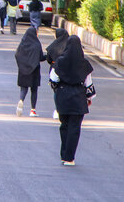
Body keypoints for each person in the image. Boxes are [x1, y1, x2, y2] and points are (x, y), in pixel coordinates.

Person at [50, 36, 96, 166]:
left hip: (63, 97)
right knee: (74, 128)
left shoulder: (59, 62)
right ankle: (70, 157)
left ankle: (64, 155)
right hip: (78, 98)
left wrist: (58, 91)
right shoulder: (84, 64)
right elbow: (88, 84)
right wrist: (89, 98)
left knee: (64, 126)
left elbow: (53, 79)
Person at [14, 27, 45, 117]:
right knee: (34, 90)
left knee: (24, 88)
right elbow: (40, 57)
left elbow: (17, 54)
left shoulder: (23, 43)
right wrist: (48, 56)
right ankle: (33, 110)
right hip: (34, 70)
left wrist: (21, 64)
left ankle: (21, 100)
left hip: (23, 69)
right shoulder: (37, 44)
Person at [46, 28, 70, 119]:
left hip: (55, 70)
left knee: (56, 91)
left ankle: (58, 109)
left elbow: (49, 59)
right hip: (68, 70)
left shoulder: (53, 46)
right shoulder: (70, 45)